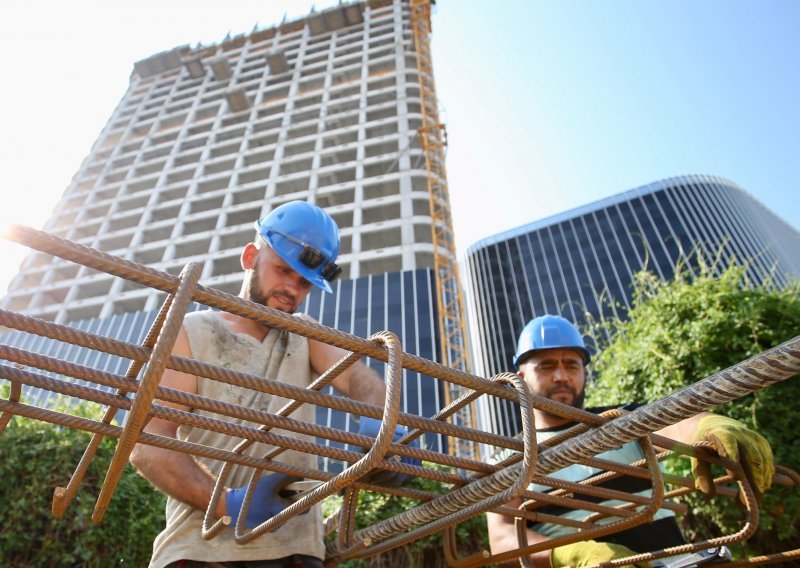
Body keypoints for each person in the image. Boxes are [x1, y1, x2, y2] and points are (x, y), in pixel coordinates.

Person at [130, 201, 412, 568]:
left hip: (296, 551)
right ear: (250, 256)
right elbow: (150, 446)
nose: (291, 290)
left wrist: (381, 424)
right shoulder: (194, 332)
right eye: (282, 270)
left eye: (304, 283)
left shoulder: (305, 334)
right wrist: (229, 504)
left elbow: (359, 377)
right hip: (203, 550)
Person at [486, 314, 775, 568]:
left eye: (571, 365)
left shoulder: (622, 420)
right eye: (546, 366)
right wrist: (574, 555)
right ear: (521, 378)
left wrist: (707, 426)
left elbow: (673, 425)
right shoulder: (508, 457)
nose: (561, 376)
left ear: (584, 373)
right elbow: (503, 539)